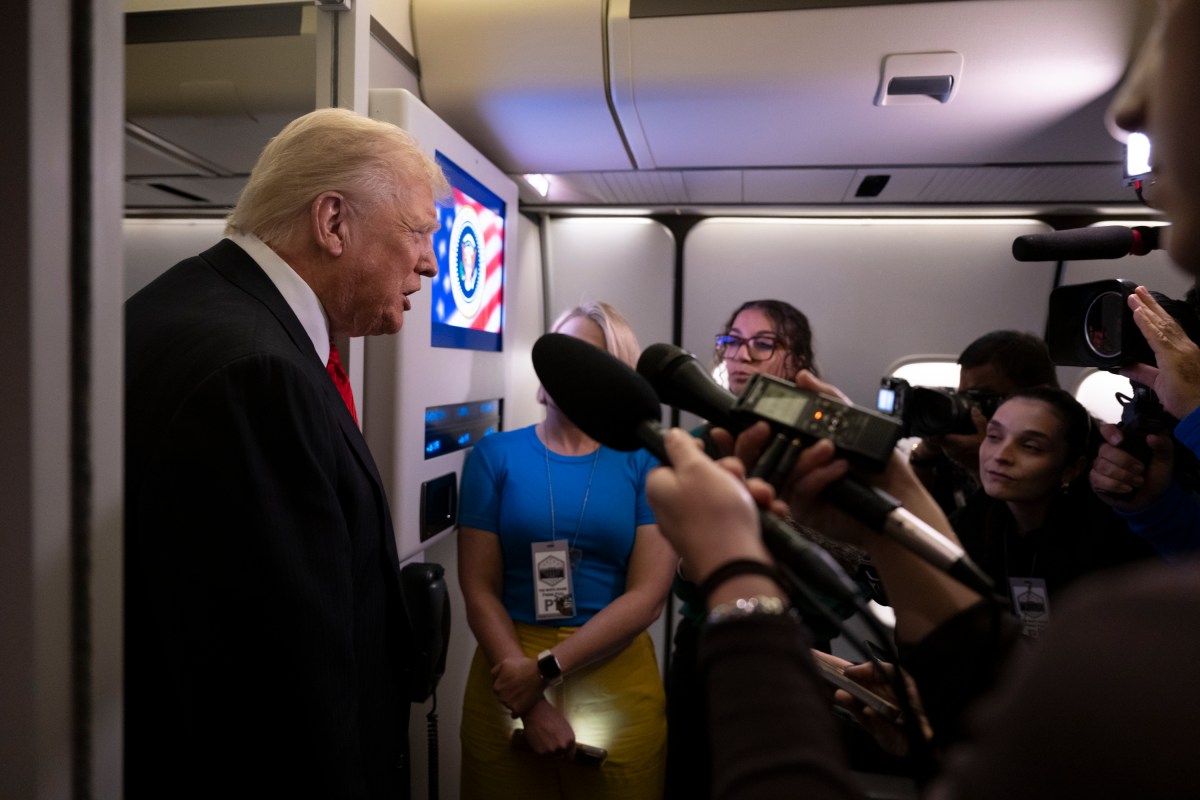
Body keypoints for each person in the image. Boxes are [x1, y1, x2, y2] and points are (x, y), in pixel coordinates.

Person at [645, 3, 1200, 795]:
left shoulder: (1128, 637)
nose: (1127, 111)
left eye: (1170, 53)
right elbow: (998, 712)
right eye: (730, 342)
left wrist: (738, 574)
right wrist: (895, 509)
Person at [124, 108, 447, 798]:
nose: (428, 261)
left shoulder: (195, 308)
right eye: (418, 232)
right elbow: (282, 686)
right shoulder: (255, 373)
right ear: (332, 222)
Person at [457, 301, 675, 799]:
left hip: (612, 668)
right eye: (558, 351)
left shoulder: (647, 461)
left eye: (584, 356)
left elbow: (648, 595)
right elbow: (478, 587)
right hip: (506, 667)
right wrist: (528, 698)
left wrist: (547, 671)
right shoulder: (496, 454)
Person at [950, 387, 1155, 636]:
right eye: (994, 436)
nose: (1001, 455)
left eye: (1030, 447)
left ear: (1071, 469)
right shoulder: (973, 522)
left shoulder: (1105, 540)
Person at [908, 330, 1059, 513]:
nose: (971, 407)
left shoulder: (1057, 450)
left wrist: (979, 463)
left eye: (980, 397)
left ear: (1036, 393)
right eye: (963, 395)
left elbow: (1009, 530)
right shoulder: (965, 436)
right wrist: (925, 453)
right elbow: (919, 511)